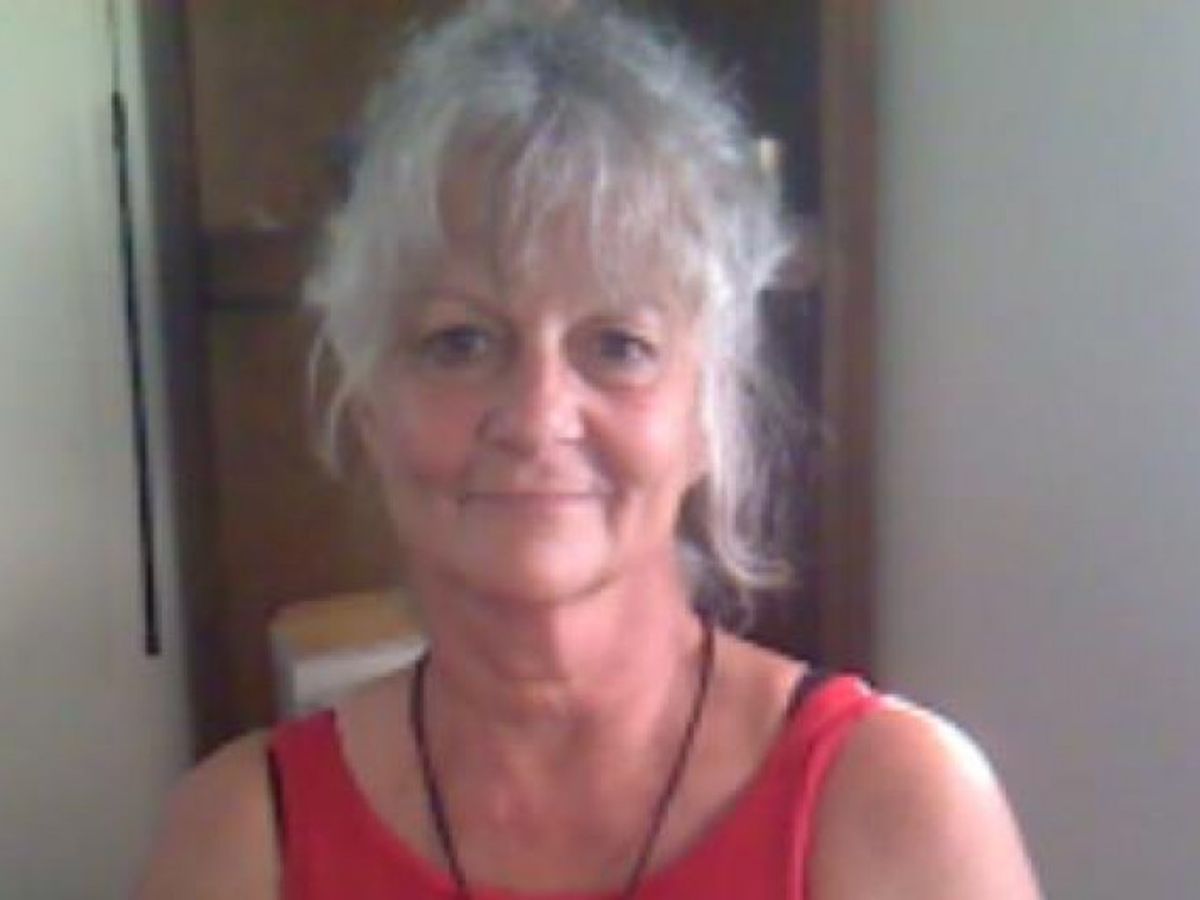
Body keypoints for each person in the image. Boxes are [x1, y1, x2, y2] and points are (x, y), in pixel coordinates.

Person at [137, 2, 1041, 897]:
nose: (538, 417)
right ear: (371, 409)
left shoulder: (894, 808)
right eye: (461, 341)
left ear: (707, 415)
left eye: (618, 345)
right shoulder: (239, 838)